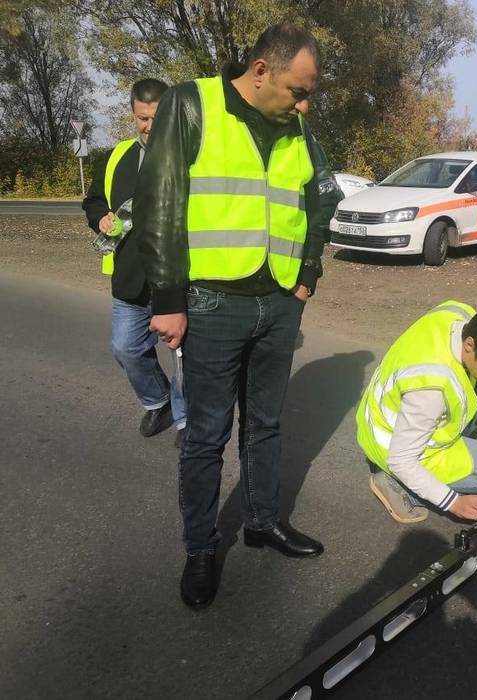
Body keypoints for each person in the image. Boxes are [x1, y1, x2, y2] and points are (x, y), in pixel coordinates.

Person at [135, 24, 339, 609]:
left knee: (266, 424)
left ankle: (262, 521)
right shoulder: (191, 103)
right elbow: (161, 199)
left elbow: (320, 197)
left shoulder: (296, 125)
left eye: (307, 95)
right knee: (206, 434)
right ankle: (201, 547)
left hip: (278, 302)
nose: (303, 104)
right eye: (296, 91)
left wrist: (307, 275)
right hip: (210, 303)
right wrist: (168, 299)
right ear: (260, 71)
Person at [356, 300, 477, 523]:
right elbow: (401, 460)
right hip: (392, 447)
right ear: (469, 345)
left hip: (393, 414)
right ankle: (397, 487)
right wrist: (453, 502)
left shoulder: (460, 314)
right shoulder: (431, 390)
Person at [82, 78, 186, 443]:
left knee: (185, 357)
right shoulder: (116, 157)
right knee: (125, 348)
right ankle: (158, 401)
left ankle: (187, 421)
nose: (149, 126)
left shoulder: (190, 155)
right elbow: (93, 200)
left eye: (156, 117)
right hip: (130, 278)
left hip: (178, 278)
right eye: (143, 118)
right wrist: (100, 218)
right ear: (133, 115)